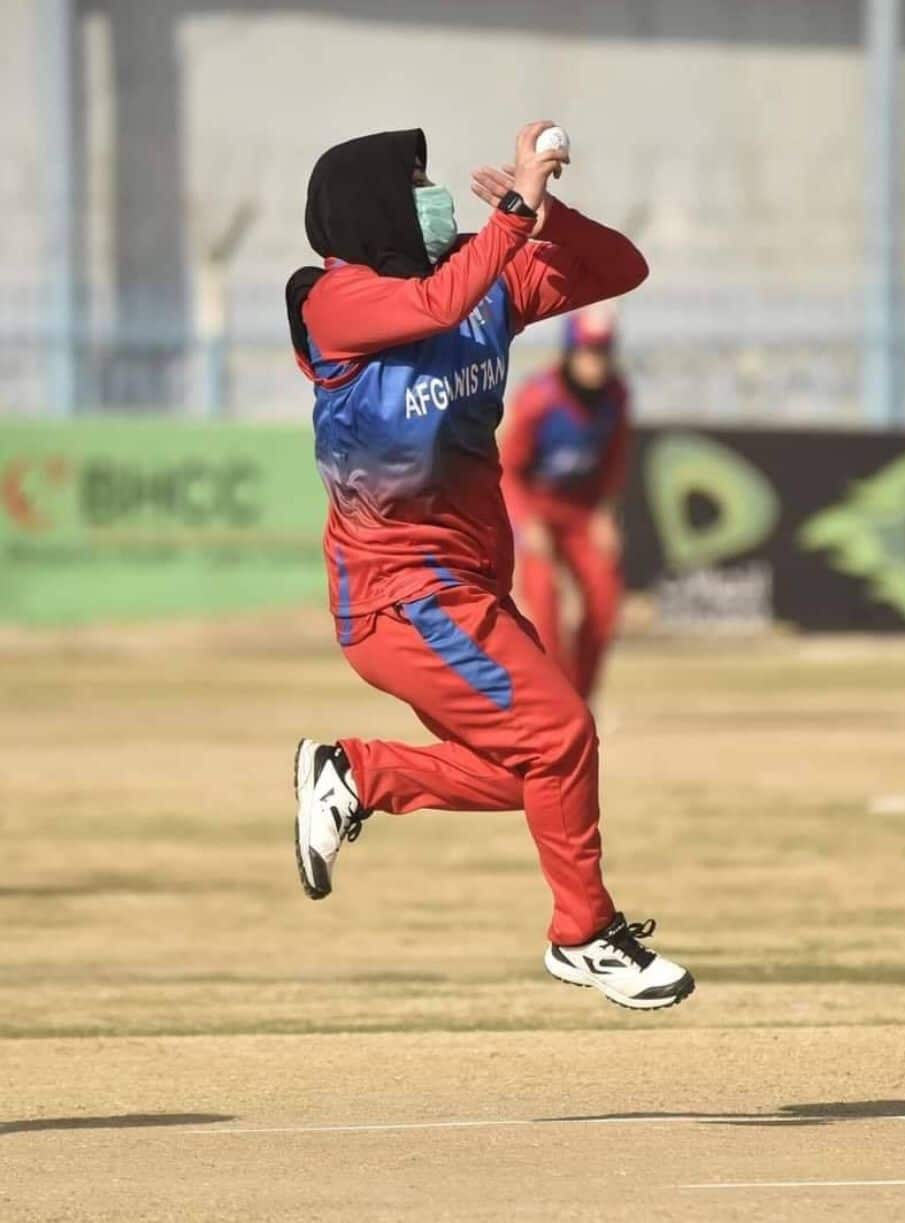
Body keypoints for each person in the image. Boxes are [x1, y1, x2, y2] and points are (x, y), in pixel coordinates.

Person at [284, 122, 693, 1011]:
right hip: (399, 598)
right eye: (416, 180)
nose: (432, 194)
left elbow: (622, 269)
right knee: (563, 738)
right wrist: (514, 213)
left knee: (540, 771)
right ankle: (583, 932)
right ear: (370, 206)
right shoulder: (329, 298)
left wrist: (549, 215)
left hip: (468, 590)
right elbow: (425, 309)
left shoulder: (481, 276)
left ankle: (358, 774)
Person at [502, 307, 629, 700]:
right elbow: (507, 469)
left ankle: (580, 700)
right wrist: (525, 524)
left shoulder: (616, 397)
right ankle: (555, 700)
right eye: (588, 352)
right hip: (536, 508)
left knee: (605, 599)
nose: (596, 363)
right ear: (571, 352)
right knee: (545, 602)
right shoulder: (540, 399)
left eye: (603, 352)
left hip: (581, 511)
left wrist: (605, 511)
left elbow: (613, 460)